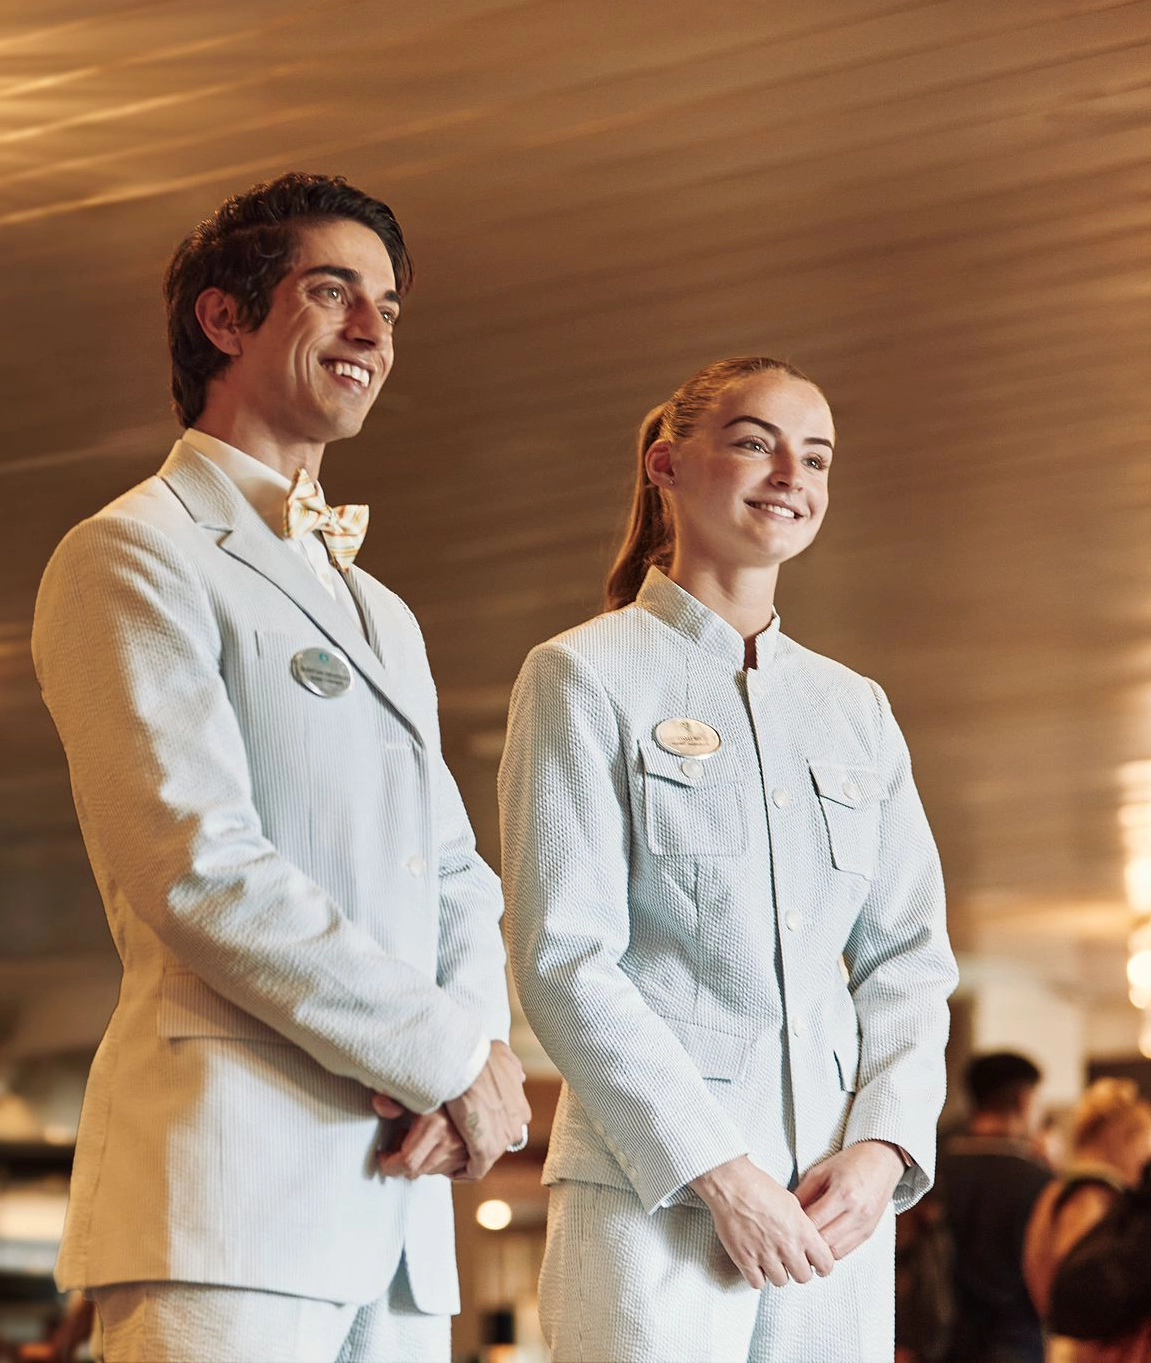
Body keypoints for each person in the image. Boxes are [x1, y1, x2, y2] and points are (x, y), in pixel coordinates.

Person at [31, 173, 530, 1363]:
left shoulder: (381, 608)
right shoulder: (130, 553)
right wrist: (448, 1056)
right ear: (224, 318)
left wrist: (477, 1056)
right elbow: (197, 866)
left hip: (398, 1213)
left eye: (388, 308)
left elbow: (454, 874)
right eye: (332, 293)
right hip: (225, 1203)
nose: (372, 332)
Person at [498, 356, 958, 1362]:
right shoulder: (582, 674)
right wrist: (715, 1168)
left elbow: (910, 960)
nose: (791, 475)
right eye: (755, 443)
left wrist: (882, 1148)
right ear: (666, 466)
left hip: (834, 1213)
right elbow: (562, 957)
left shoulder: (854, 708)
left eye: (816, 457)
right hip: (649, 1198)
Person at [936, 1052, 1052, 1363]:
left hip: (940, 1343)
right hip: (1017, 1343)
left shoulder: (932, 1172)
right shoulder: (1039, 1180)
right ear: (1024, 1100)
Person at [1024, 1078, 1151, 1362]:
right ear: (1122, 1137)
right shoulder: (1095, 1197)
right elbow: (1088, 1293)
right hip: (1090, 1352)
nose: (1144, 1155)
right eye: (1144, 1140)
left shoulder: (1056, 1191)